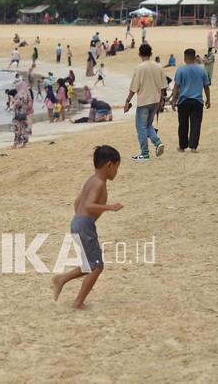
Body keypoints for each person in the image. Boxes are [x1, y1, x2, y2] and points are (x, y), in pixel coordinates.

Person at [52, 146, 123, 309]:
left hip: (78, 223)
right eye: (117, 167)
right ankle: (78, 302)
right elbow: (89, 205)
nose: (117, 172)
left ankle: (61, 279)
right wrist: (110, 207)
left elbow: (78, 202)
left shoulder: (91, 180)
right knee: (97, 266)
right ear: (109, 165)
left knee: (89, 264)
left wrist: (79, 219)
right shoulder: (99, 183)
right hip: (84, 225)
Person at [124, 44, 167, 161]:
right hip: (155, 101)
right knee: (148, 125)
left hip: (144, 101)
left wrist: (127, 101)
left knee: (141, 127)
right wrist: (161, 101)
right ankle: (158, 143)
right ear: (151, 54)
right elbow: (163, 87)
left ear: (139, 54)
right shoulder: (158, 67)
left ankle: (145, 153)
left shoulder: (139, 68)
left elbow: (133, 88)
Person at [170, 48, 211, 152]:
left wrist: (173, 100)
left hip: (183, 101)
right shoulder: (202, 69)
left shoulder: (180, 70)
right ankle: (193, 147)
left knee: (183, 124)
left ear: (185, 57)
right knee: (196, 124)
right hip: (197, 101)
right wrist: (208, 100)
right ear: (194, 57)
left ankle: (182, 147)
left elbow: (176, 86)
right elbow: (206, 86)